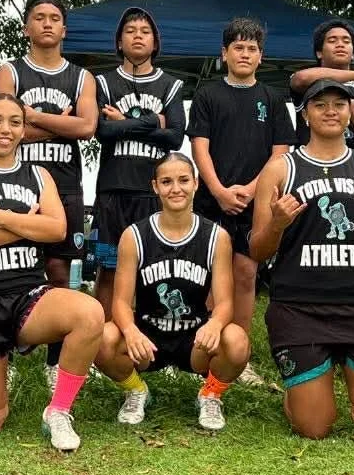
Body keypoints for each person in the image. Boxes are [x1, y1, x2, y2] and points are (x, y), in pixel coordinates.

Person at [0, 93, 105, 452]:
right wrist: (30, 223)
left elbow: (57, 229)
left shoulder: (38, 175)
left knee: (89, 313)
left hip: (28, 296)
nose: (5, 129)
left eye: (14, 121)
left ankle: (58, 411)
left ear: (24, 128)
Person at [250, 79, 354, 439]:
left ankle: (349, 369)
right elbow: (258, 250)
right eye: (320, 105)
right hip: (300, 308)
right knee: (314, 428)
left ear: (351, 112)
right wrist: (277, 224)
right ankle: (307, 381)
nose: (331, 111)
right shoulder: (280, 169)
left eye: (339, 103)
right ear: (304, 115)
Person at [95, 152, 248, 430]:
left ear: (196, 183)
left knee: (236, 341)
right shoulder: (134, 235)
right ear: (155, 187)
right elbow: (119, 301)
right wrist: (130, 331)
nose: (175, 188)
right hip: (147, 337)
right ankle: (136, 390)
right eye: (166, 182)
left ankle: (210, 394)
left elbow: (225, 301)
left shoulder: (216, 237)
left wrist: (215, 324)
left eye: (183, 180)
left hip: (195, 339)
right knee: (104, 338)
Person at [0, 0, 97, 390]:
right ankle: (3, 349)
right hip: (16, 179)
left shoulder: (81, 76)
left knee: (59, 269)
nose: (47, 23)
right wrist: (58, 121)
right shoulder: (11, 71)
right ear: (27, 27)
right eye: (39, 17)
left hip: (66, 182)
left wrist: (31, 116)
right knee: (9, 264)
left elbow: (86, 127)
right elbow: (4, 126)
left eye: (55, 17)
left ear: (64, 29)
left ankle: (56, 359)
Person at [189, 17, 296, 382]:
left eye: (252, 48)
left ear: (261, 56)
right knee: (208, 277)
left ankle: (240, 354)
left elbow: (280, 153)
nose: (245, 54)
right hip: (211, 201)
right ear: (224, 53)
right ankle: (202, 352)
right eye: (238, 47)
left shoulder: (273, 98)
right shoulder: (207, 94)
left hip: (256, 202)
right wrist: (219, 191)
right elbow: (198, 148)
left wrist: (251, 190)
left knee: (246, 274)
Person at [91, 7, 187, 315]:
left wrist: (125, 121)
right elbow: (103, 131)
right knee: (108, 270)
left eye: (145, 32)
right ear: (119, 42)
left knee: (154, 270)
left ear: (155, 43)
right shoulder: (102, 82)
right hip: (114, 189)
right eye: (130, 31)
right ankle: (102, 344)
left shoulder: (171, 85)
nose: (138, 36)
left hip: (153, 190)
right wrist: (152, 121)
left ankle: (153, 340)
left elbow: (175, 137)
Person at [288, 20, 354, 158]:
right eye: (332, 40)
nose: (340, 44)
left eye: (346, 41)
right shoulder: (307, 83)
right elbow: (301, 79)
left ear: (353, 53)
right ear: (319, 53)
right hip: (307, 170)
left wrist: (346, 102)